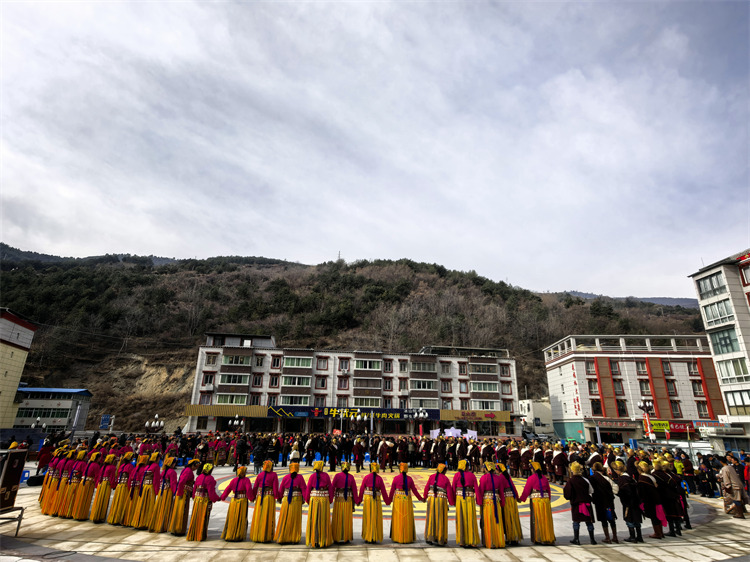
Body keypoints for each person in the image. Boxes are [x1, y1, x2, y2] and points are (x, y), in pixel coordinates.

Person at [519, 461, 555, 546]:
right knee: (546, 518)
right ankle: (547, 536)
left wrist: (521, 499)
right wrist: (548, 500)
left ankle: (539, 538)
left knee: (537, 519)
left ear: (533, 469)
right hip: (545, 501)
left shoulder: (531, 478)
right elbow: (549, 490)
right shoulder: (544, 478)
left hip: (536, 501)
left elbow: (527, 490)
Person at [388, 462, 424, 544]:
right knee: (406, 518)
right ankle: (407, 537)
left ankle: (397, 536)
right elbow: (414, 490)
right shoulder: (410, 479)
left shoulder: (396, 478)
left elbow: (392, 491)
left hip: (398, 499)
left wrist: (389, 500)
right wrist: (421, 499)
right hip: (407, 500)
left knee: (398, 518)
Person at [563, 461, 596, 545]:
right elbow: (591, 491)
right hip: (586, 503)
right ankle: (592, 539)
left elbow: (567, 494)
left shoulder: (570, 481)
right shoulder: (585, 480)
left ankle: (576, 539)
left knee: (576, 521)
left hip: (576, 503)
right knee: (589, 521)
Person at [611, 460, 643, 543]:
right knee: (636, 518)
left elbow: (625, 490)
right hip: (635, 501)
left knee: (629, 519)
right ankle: (639, 536)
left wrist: (618, 493)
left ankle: (632, 536)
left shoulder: (622, 478)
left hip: (628, 502)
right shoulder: (629, 477)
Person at [423, 463, 454, 546]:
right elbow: (449, 492)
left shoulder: (431, 477)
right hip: (441, 500)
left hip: (431, 499)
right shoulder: (445, 479)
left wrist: (425, 497)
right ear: (444, 471)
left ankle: (429, 537)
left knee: (431, 518)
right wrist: (452, 502)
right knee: (440, 518)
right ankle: (439, 538)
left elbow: (427, 488)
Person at [186, 464, 220, 542]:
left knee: (195, 517)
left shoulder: (199, 477)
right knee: (203, 517)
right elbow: (211, 493)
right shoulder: (210, 479)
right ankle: (200, 535)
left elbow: (194, 489)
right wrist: (216, 499)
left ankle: (193, 534)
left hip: (197, 500)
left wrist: (194, 497)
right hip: (205, 501)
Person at [275, 462, 306, 544]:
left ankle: (283, 537)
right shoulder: (300, 478)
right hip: (296, 500)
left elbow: (281, 489)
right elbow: (304, 489)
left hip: (286, 500)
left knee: (285, 518)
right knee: (295, 519)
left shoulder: (285, 477)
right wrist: (305, 499)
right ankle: (294, 538)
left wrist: (279, 498)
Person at [477, 461, 507, 548]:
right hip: (496, 502)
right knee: (497, 521)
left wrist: (479, 502)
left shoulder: (483, 478)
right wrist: (502, 503)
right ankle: (498, 541)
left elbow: (481, 491)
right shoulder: (498, 478)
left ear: (486, 469)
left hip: (487, 502)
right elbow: (501, 492)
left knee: (488, 521)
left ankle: (489, 541)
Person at [358, 462, 389, 544]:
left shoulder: (366, 477)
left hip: (368, 499)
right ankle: (375, 536)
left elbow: (361, 489)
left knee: (368, 517)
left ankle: (368, 536)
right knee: (375, 517)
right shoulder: (379, 479)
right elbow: (384, 491)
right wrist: (387, 501)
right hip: (376, 500)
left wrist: (358, 500)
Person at [452, 459, 480, 548]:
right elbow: (476, 489)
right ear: (467, 467)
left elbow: (453, 488)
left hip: (459, 499)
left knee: (460, 519)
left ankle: (462, 541)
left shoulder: (456, 475)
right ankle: (473, 541)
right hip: (470, 499)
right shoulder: (472, 475)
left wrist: (452, 501)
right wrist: (479, 501)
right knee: (470, 519)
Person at [169, 458, 200, 536]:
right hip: (183, 493)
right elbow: (182, 481)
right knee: (182, 510)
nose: (196, 468)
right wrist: (180, 492)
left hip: (182, 492)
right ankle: (179, 529)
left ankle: (177, 528)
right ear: (192, 465)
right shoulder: (188, 471)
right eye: (196, 466)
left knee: (179, 509)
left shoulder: (186, 469)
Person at [220, 465, 252, 541]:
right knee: (240, 517)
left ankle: (230, 534)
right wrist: (252, 498)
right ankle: (238, 535)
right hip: (242, 501)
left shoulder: (233, 480)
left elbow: (227, 489)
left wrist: (222, 497)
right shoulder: (246, 480)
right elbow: (249, 490)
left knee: (232, 517)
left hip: (233, 501)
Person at [306, 460, 333, 548]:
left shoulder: (312, 476)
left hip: (314, 499)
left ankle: (314, 539)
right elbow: (330, 488)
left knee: (314, 519)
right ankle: (323, 540)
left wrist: (307, 500)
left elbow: (308, 489)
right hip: (324, 499)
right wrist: (331, 499)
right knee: (323, 519)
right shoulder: (326, 476)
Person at [330, 461, 358, 544]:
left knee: (338, 517)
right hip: (348, 499)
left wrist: (330, 499)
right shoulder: (351, 477)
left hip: (339, 499)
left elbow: (332, 488)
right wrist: (357, 500)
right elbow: (354, 490)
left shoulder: (337, 476)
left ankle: (337, 536)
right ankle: (346, 537)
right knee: (346, 518)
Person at [132, 452, 161, 529]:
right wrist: (156, 490)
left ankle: (140, 521)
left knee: (142, 504)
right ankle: (147, 522)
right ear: (157, 458)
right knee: (149, 505)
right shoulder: (156, 466)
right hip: (150, 487)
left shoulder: (147, 466)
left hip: (144, 487)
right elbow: (156, 479)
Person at [590, 461, 618, 543]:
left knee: (603, 519)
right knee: (611, 519)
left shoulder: (592, 478)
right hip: (609, 501)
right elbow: (615, 489)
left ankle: (607, 537)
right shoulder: (607, 478)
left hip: (599, 501)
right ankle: (615, 537)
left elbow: (590, 490)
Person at [148, 456, 178, 533]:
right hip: (168, 492)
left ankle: (156, 524)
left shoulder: (164, 471)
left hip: (162, 491)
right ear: (172, 464)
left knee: (160, 507)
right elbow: (173, 483)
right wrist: (175, 492)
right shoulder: (172, 472)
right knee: (166, 508)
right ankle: (164, 525)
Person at [637, 460, 665, 539]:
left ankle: (657, 533)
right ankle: (660, 532)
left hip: (649, 500)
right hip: (656, 498)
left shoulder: (642, 478)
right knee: (657, 516)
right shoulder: (651, 476)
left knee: (654, 517)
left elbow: (641, 492)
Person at [71, 452, 102, 521]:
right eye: (99, 457)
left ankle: (76, 513)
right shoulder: (95, 465)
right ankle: (82, 515)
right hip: (89, 484)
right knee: (85, 499)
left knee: (80, 498)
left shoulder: (88, 464)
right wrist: (97, 485)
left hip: (82, 482)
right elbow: (97, 476)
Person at [106, 452, 135, 525]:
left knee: (117, 501)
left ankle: (115, 517)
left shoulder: (121, 466)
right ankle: (121, 518)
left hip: (119, 486)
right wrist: (130, 488)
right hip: (125, 486)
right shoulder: (130, 466)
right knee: (123, 502)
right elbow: (130, 478)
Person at [498, 462, 522, 545]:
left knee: (507, 519)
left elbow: (500, 490)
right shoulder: (507, 476)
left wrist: (501, 501)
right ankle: (515, 537)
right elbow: (513, 487)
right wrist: (517, 497)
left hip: (506, 499)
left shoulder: (500, 477)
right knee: (513, 518)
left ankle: (510, 537)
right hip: (512, 499)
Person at [90, 454, 117, 523]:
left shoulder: (103, 467)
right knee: (104, 501)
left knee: (99, 499)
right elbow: (112, 478)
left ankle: (96, 515)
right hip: (107, 485)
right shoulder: (112, 467)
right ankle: (101, 516)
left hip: (101, 484)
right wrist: (113, 485)